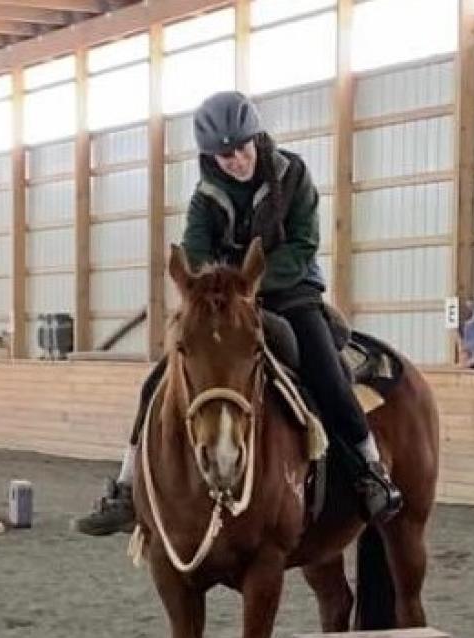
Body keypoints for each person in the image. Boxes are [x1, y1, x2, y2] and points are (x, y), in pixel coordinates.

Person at [75, 90, 402, 536]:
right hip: (226, 304)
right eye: (224, 155)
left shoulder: (293, 174)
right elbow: (194, 251)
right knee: (157, 380)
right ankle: (127, 487)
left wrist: (249, 285)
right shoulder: (205, 196)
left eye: (240, 150)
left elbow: (303, 245)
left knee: (327, 372)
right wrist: (219, 290)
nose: (235, 160)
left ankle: (369, 470)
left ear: (255, 139)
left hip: (292, 292)